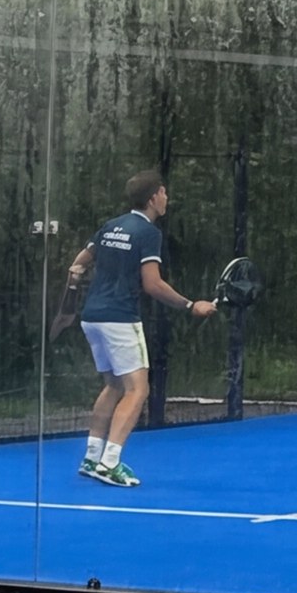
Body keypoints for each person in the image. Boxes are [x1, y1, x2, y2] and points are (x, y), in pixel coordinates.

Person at [66, 169, 215, 489]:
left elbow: (78, 264)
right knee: (138, 389)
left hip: (92, 317)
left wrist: (74, 289)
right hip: (120, 318)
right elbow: (153, 284)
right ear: (152, 199)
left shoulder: (111, 226)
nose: (166, 198)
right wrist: (191, 306)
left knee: (114, 386)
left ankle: (92, 457)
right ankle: (109, 463)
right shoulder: (148, 233)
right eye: (163, 193)